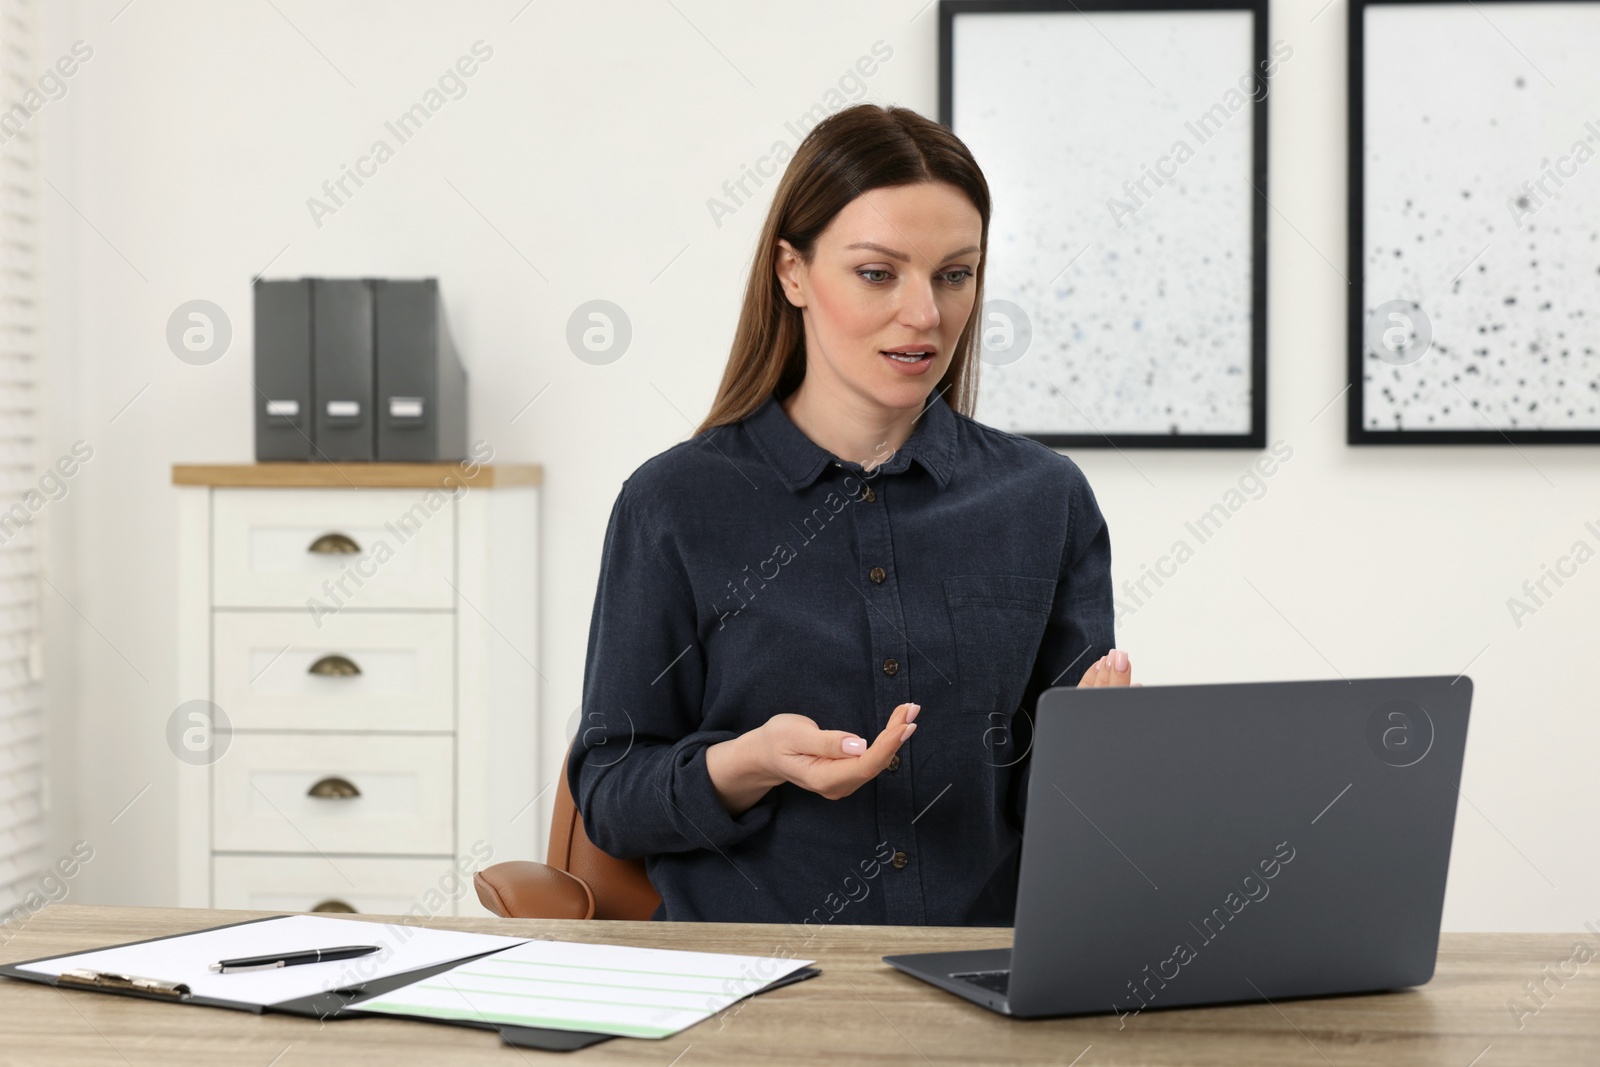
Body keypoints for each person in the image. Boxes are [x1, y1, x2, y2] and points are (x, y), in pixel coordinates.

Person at [569, 103, 1134, 926]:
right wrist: (746, 762)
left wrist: (1106, 756)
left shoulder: (1044, 498)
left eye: (954, 274)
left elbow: (1063, 812)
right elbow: (611, 797)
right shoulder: (673, 503)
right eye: (879, 272)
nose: (926, 315)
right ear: (793, 272)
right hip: (744, 991)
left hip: (979, 987)